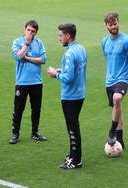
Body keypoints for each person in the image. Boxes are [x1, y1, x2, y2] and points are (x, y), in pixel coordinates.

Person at [47, 23, 87, 169]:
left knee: (72, 128)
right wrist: (61, 69)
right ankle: (73, 155)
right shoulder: (81, 49)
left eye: (60, 35)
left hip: (70, 96)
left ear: (68, 36)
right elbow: (76, 70)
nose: (59, 38)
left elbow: (68, 78)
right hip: (80, 93)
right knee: (74, 125)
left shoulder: (69, 53)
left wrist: (55, 74)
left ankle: (76, 160)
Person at [102, 12, 128, 148]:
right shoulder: (104, 41)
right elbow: (109, 59)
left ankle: (112, 131)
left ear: (118, 23)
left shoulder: (127, 41)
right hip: (109, 80)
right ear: (106, 26)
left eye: (115, 23)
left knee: (117, 99)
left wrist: (127, 77)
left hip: (123, 78)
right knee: (117, 107)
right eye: (110, 24)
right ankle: (120, 140)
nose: (113, 26)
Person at [9, 20, 47, 144]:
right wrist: (26, 43)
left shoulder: (39, 43)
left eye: (33, 31)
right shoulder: (17, 42)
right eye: (28, 30)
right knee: (18, 109)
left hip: (36, 82)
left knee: (36, 108)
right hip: (22, 82)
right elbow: (18, 56)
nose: (30, 33)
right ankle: (15, 134)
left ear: (36, 32)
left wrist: (28, 58)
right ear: (24, 29)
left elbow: (43, 59)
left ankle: (35, 132)